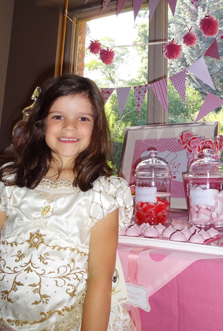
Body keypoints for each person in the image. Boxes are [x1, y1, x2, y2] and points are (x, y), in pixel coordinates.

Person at [0, 74, 136, 330]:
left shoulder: (105, 192)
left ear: (96, 128)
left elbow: (100, 279)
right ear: (41, 123)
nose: (70, 127)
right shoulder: (9, 182)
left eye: (83, 118)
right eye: (58, 116)